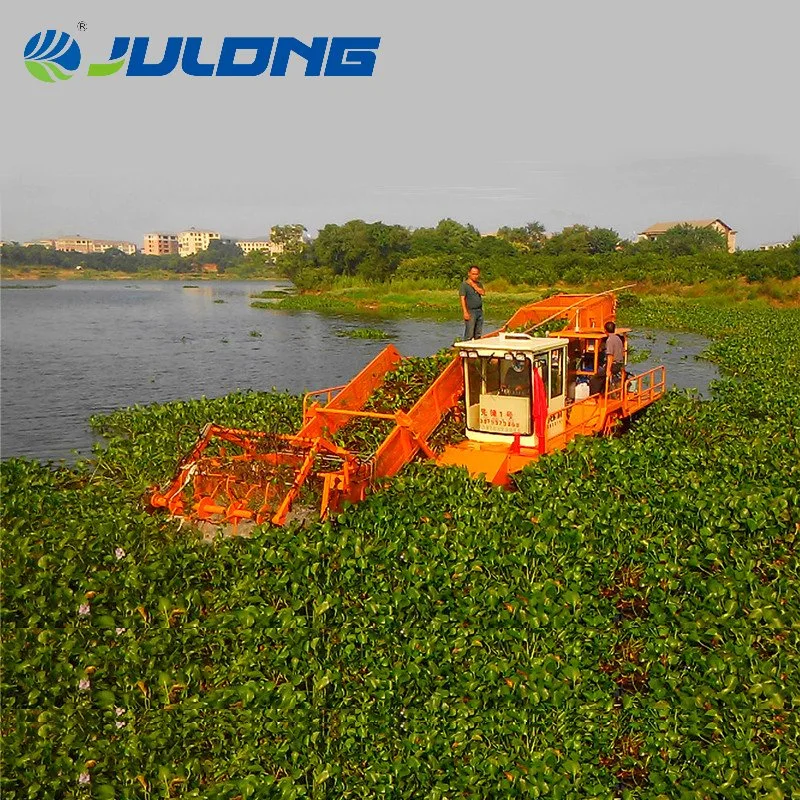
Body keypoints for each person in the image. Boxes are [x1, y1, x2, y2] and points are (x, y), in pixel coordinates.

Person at [459, 265, 485, 340]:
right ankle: (466, 350)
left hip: (479, 311)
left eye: (476, 274)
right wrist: (465, 312)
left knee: (478, 333)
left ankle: (476, 349)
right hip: (470, 311)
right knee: (469, 333)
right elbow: (462, 298)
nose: (475, 276)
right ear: (469, 274)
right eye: (473, 274)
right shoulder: (464, 285)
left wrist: (474, 285)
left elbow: (483, 293)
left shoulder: (478, 284)